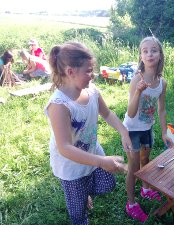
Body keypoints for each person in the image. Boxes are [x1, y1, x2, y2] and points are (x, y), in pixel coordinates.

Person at [44, 41, 132, 225]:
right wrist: (101, 161)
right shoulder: (60, 105)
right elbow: (65, 148)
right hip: (71, 165)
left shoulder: (91, 91)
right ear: (70, 72)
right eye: (89, 71)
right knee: (78, 212)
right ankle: (81, 204)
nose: (93, 75)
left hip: (92, 150)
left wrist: (123, 131)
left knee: (108, 183)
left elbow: (107, 113)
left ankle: (84, 193)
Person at [123, 36, 174, 222]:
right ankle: (131, 203)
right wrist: (138, 91)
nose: (149, 53)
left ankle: (145, 190)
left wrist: (163, 132)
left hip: (148, 128)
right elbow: (130, 112)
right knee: (134, 166)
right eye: (145, 51)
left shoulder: (162, 83)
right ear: (141, 56)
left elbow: (161, 109)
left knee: (146, 159)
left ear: (160, 55)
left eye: (153, 50)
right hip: (132, 129)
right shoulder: (137, 78)